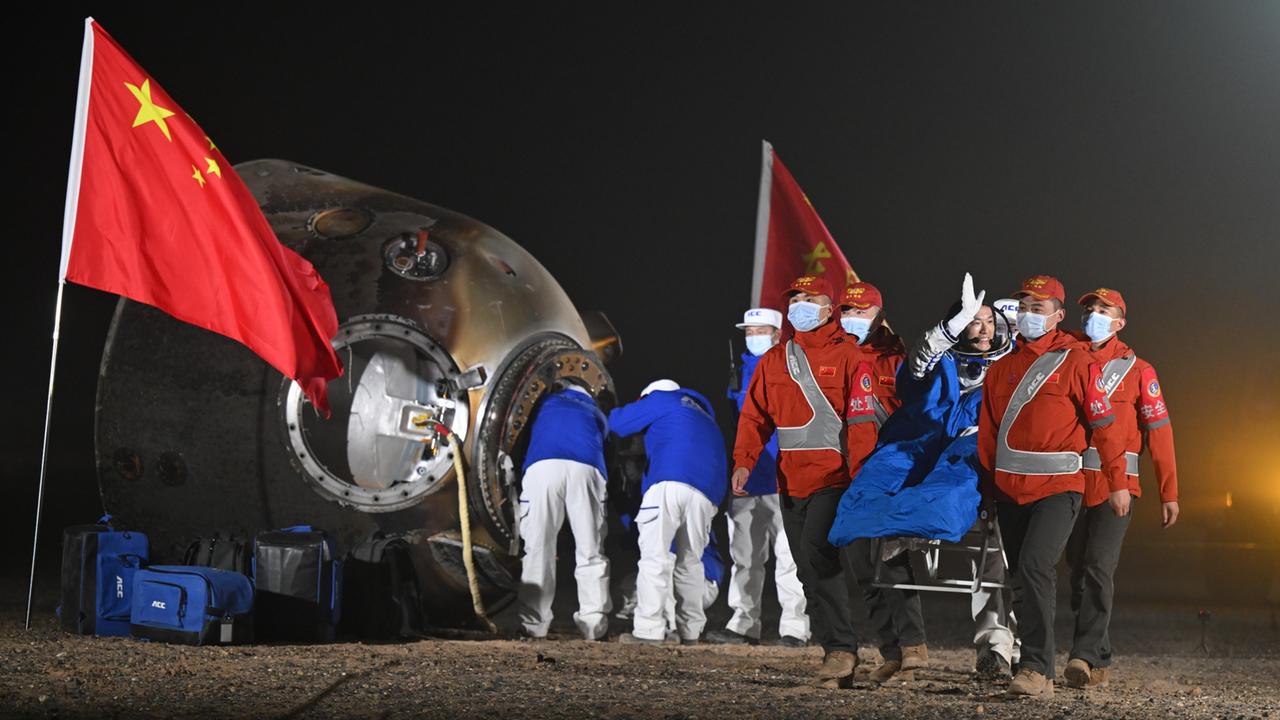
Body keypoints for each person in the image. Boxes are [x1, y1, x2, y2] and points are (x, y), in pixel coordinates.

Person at [978, 275, 1129, 698]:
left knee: (1035, 565)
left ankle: (1036, 669)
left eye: (1038, 308)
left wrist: (1117, 482)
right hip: (1010, 490)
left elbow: (1106, 427)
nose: (1028, 314)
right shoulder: (1001, 367)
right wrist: (986, 492)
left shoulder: (1077, 362)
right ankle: (1034, 662)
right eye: (1023, 306)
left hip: (1060, 487)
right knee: (1021, 578)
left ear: (1059, 317)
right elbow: (988, 436)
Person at [732, 275, 877, 687]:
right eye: (794, 297)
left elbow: (862, 421)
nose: (799, 304)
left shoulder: (850, 355)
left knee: (817, 555)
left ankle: (841, 650)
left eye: (809, 298)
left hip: (835, 477)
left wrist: (862, 476)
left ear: (829, 308)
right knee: (805, 569)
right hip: (789, 480)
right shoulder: (775, 359)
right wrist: (744, 460)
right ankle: (837, 652)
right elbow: (754, 416)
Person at [1064, 287, 1179, 689]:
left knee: (1099, 566)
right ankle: (1100, 654)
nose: (1093, 315)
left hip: (1119, 487)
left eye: (1103, 310)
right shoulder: (1066, 358)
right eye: (1089, 309)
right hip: (1071, 482)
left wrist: (1169, 491)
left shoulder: (1139, 370)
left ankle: (1082, 656)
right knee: (1077, 570)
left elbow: (1159, 432)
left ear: (1120, 322)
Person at [706, 308, 809, 647]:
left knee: (789, 559)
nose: (753, 338)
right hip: (748, 481)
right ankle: (743, 623)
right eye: (749, 332)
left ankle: (795, 628)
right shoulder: (739, 374)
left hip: (785, 480)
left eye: (760, 331)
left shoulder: (793, 368)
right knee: (745, 558)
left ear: (778, 334)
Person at [610, 379, 727, 645]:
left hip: (668, 481)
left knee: (655, 558)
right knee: (690, 562)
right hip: (707, 494)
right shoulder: (705, 418)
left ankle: (648, 631)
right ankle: (691, 632)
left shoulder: (662, 399)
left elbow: (617, 422)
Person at [516, 383, 611, 640]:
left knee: (538, 547)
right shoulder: (595, 411)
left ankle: (533, 626)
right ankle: (594, 625)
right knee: (590, 549)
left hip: (543, 466)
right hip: (587, 468)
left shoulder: (545, 403)